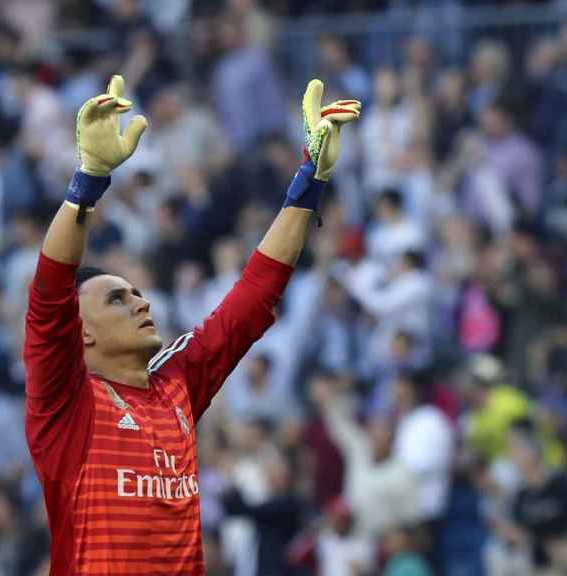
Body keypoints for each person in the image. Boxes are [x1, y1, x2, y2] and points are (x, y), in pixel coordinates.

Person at [23, 75, 360, 574]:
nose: (141, 304)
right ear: (82, 332)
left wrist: (310, 182)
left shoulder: (175, 383)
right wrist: (87, 182)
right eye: (118, 300)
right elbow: (50, 291)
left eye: (137, 294)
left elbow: (253, 297)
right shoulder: (64, 405)